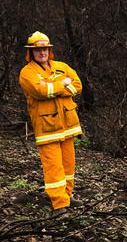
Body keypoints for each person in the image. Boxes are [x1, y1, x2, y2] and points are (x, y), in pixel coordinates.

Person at [19, 31, 83, 216]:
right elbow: (40, 91)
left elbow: (77, 85)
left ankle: (67, 196)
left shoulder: (62, 66)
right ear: (31, 52)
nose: (42, 53)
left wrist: (55, 86)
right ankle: (59, 204)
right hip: (47, 127)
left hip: (68, 125)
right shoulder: (27, 72)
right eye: (38, 50)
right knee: (53, 167)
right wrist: (62, 85)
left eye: (45, 49)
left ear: (49, 50)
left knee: (69, 166)